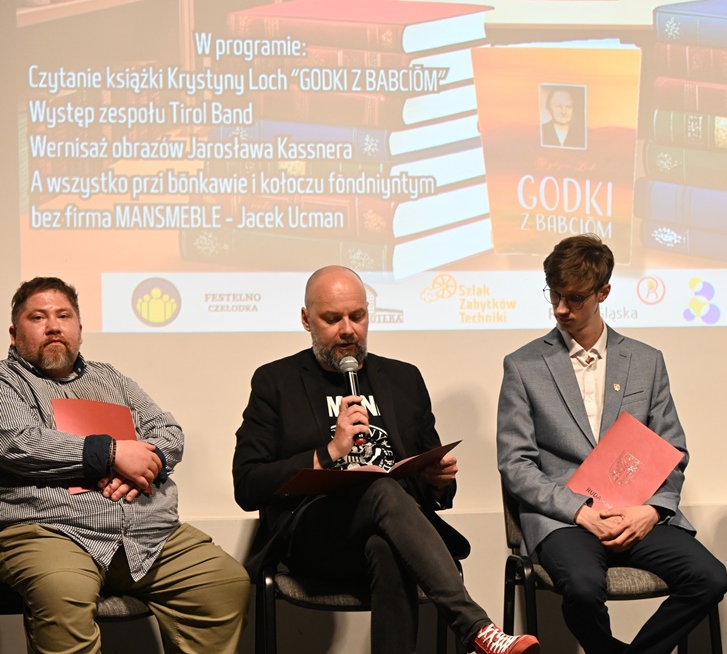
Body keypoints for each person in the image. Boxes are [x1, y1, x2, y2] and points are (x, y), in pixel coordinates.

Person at [232, 265, 539, 654]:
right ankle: (477, 628)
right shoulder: (276, 381)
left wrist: (436, 480)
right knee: (381, 488)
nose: (348, 330)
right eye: (332, 319)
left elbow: (433, 489)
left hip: (388, 531)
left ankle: (478, 633)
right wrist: (328, 453)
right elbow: (248, 484)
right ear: (306, 320)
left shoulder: (403, 379)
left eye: (357, 316)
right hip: (314, 539)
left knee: (387, 546)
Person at [497, 234, 727, 654]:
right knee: (584, 588)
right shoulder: (523, 365)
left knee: (710, 578)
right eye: (554, 295)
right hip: (566, 520)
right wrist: (579, 511)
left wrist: (652, 511)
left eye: (574, 298)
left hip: (636, 513)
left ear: (603, 292)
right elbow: (515, 464)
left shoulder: (645, 360)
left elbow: (672, 449)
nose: (561, 308)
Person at [0, 277, 249, 654]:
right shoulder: (6, 381)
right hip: (53, 531)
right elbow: (17, 442)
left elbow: (168, 430)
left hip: (147, 532)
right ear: (14, 334)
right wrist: (113, 454)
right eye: (38, 317)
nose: (53, 326)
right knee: (61, 590)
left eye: (64, 316)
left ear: (79, 329)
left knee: (222, 583)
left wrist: (145, 467)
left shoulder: (111, 378)